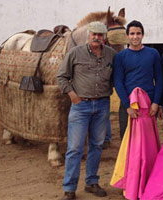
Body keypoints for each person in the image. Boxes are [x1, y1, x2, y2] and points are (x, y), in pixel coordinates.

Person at [57, 21, 116, 200]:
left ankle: (91, 182)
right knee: (75, 148)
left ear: (104, 36)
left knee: (97, 146)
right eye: (94, 34)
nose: (97, 37)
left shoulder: (111, 55)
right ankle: (69, 187)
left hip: (101, 106)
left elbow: (116, 76)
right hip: (80, 106)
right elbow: (61, 77)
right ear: (89, 34)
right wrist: (72, 94)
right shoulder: (75, 53)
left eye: (100, 35)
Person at [113, 20, 163, 139]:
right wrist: (128, 106)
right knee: (127, 138)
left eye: (138, 33)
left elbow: (159, 78)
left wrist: (156, 102)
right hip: (129, 104)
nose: (135, 37)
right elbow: (118, 82)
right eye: (132, 34)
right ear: (127, 35)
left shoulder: (153, 53)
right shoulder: (120, 56)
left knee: (147, 139)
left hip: (149, 104)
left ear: (143, 35)